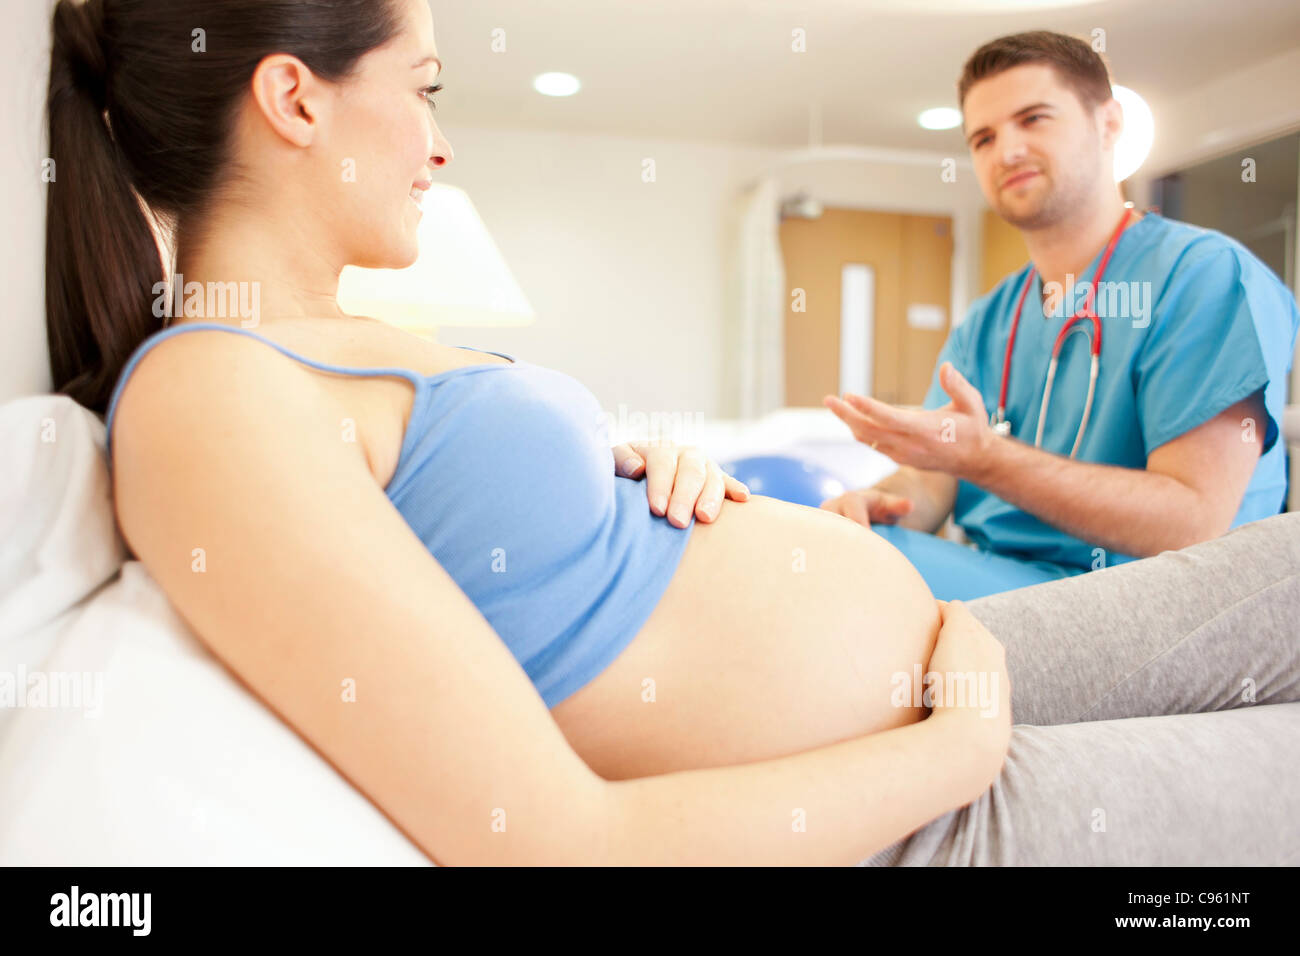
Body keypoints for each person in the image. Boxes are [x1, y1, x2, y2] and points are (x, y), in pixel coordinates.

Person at [48, 0, 1300, 865]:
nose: (439, 142)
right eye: (424, 90)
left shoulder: (323, 342)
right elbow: (551, 838)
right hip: (910, 795)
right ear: (294, 100)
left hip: (950, 664)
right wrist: (962, 746)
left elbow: (532, 566)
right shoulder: (207, 394)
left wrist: (635, 482)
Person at [821, 30, 1299, 601]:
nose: (1007, 151)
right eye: (984, 138)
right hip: (1012, 586)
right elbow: (933, 477)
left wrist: (989, 459)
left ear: (1109, 124)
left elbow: (1194, 523)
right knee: (829, 553)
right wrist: (879, 504)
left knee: (837, 589)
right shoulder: (990, 319)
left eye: (1034, 119)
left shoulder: (1204, 278)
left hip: (1155, 606)